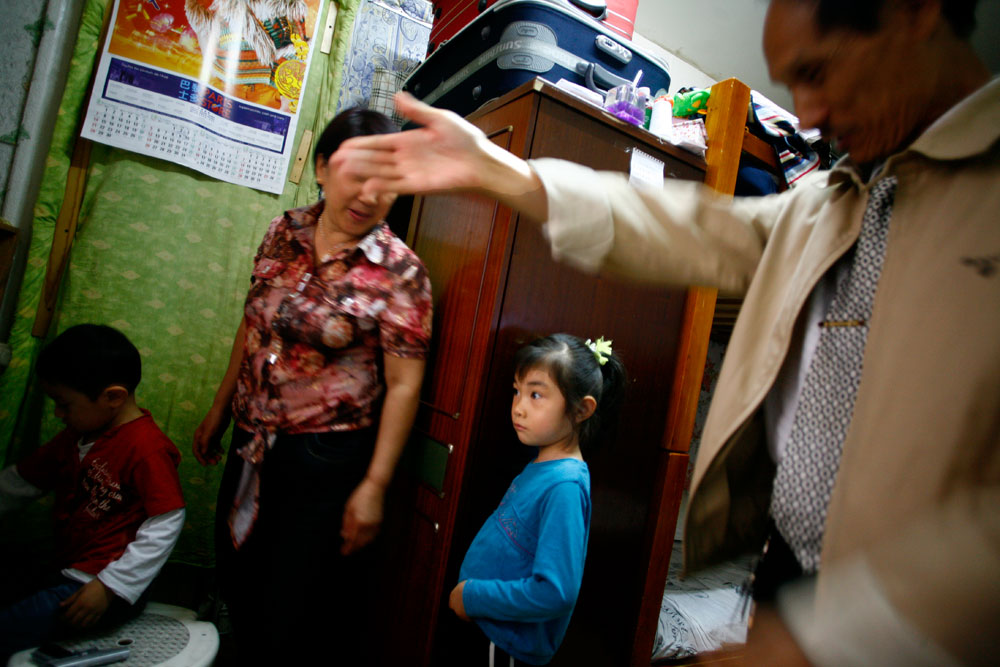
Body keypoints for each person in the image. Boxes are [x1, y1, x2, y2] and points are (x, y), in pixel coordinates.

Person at [329, 1, 999, 664]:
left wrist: (826, 635)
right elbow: (690, 226)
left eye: (817, 70)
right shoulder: (834, 198)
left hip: (911, 619)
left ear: (916, 12)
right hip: (789, 581)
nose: (810, 113)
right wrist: (503, 172)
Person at [192, 107, 432, 664]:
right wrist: (220, 407)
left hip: (324, 459)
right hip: (251, 443)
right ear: (322, 167)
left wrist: (373, 486)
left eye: (387, 184)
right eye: (357, 174)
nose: (370, 196)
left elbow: (402, 386)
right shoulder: (285, 230)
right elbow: (254, 324)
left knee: (294, 610)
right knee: (237, 575)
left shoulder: (402, 273)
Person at [0, 324, 185, 660]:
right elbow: (22, 481)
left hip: (104, 587)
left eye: (64, 404)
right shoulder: (76, 435)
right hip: (66, 567)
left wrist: (112, 586)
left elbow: (166, 521)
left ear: (112, 397)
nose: (57, 414)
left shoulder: (146, 448)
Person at [448, 334, 625, 666]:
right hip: (491, 630)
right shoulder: (544, 465)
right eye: (517, 391)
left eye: (536, 395)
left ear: (581, 409)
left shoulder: (565, 486)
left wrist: (472, 597)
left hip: (508, 645)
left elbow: (555, 592)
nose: (519, 406)